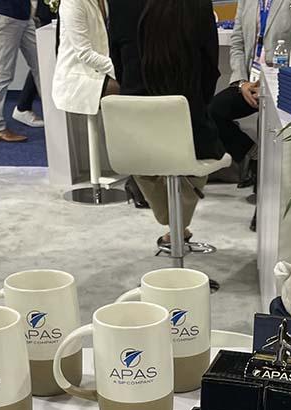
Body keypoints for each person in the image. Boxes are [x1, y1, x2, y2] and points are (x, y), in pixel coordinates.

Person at [115, 0, 224, 249]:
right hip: (190, 131)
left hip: (133, 132)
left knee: (144, 163)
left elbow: (119, 66)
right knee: (206, 150)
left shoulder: (120, 4)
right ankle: (176, 222)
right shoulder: (197, 5)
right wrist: (195, 102)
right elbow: (210, 69)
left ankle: (173, 223)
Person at [208, 0, 291, 187]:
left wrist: (273, 83)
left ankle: (267, 179)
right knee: (213, 110)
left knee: (270, 122)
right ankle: (253, 155)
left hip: (283, 83)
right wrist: (241, 82)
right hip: (249, 81)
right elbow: (237, 43)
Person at [0, 0, 41, 142]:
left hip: (23, 15)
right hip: (8, 15)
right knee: (3, 73)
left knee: (41, 66)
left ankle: (55, 117)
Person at [53, 0, 117, 117]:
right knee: (132, 90)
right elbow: (85, 54)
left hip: (101, 67)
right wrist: (118, 70)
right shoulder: (72, 3)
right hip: (79, 75)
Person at [12, 0, 56, 128]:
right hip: (51, 11)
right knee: (45, 60)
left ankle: (24, 106)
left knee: (44, 61)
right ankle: (24, 106)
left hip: (53, 10)